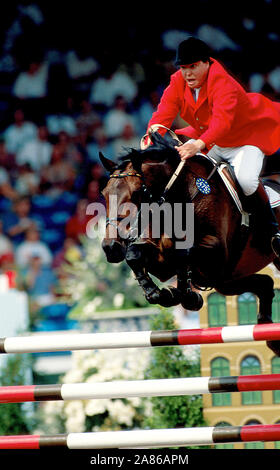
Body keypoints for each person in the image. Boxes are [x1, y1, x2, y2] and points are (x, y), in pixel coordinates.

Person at [146, 36, 280, 257]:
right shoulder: (177, 80)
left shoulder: (223, 83)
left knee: (246, 181)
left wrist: (197, 145)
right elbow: (163, 114)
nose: (187, 73)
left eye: (193, 67)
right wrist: (150, 139)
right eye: (183, 67)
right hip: (212, 140)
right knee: (180, 170)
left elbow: (222, 124)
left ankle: (272, 229)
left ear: (207, 62)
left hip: (244, 141)